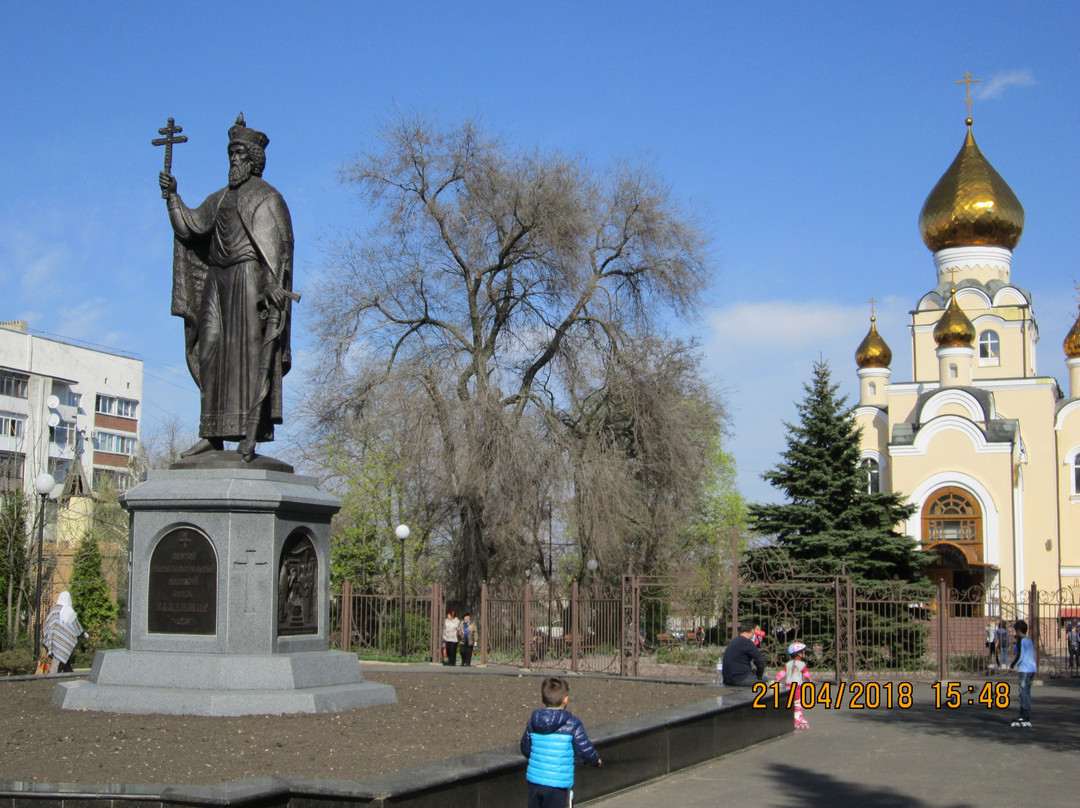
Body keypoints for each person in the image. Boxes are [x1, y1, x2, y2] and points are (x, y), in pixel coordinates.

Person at [159, 114, 294, 461]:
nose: (233, 161)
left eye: (240, 155)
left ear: (253, 160)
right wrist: (173, 198)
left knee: (248, 359)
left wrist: (271, 286)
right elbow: (189, 227)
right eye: (231, 154)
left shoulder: (268, 198)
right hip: (217, 282)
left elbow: (279, 253)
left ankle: (250, 434)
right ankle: (211, 433)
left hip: (249, 282)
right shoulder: (219, 198)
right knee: (210, 351)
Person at [520, 676, 602, 807]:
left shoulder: (533, 723)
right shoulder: (572, 724)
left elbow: (525, 749)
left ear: (542, 699)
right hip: (559, 785)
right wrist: (594, 761)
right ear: (566, 700)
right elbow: (584, 749)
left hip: (535, 782)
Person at [42, 591, 88, 674]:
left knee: (62, 660)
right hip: (64, 642)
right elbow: (76, 626)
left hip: (52, 640)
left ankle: (68, 672)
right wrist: (84, 634)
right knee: (59, 660)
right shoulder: (69, 611)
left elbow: (47, 624)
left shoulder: (54, 611)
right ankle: (54, 675)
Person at [775, 642, 812, 729]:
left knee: (791, 702)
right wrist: (810, 680)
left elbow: (782, 673)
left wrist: (777, 680)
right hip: (798, 687)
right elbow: (806, 675)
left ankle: (791, 717)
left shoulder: (787, 664)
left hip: (788, 686)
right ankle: (797, 718)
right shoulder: (802, 664)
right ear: (799, 653)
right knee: (798, 703)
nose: (804, 653)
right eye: (803, 652)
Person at [721, 619, 768, 687]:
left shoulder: (734, 641)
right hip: (741, 679)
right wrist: (759, 675)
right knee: (768, 682)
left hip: (728, 679)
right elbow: (760, 661)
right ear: (752, 631)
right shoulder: (747, 643)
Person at [1008, 619, 1036, 727]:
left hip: (1025, 669)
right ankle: (1026, 714)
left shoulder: (1022, 641)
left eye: (1016, 631)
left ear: (1018, 630)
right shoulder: (1029, 640)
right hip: (1032, 669)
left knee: (1023, 693)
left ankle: (1023, 714)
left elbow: (1020, 655)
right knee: (1027, 692)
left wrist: (1012, 665)